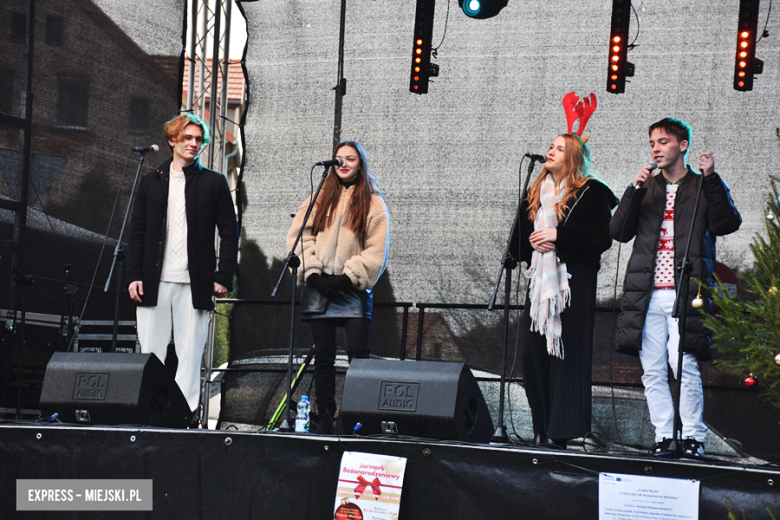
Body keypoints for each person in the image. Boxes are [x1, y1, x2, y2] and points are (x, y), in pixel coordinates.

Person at [610, 117, 741, 458]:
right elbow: (618, 231)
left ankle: (694, 437)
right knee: (652, 369)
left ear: (682, 146)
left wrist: (711, 179)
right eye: (652, 142)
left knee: (683, 365)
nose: (656, 148)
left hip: (685, 291)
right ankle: (664, 435)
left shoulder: (701, 185)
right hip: (647, 292)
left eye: (663, 141)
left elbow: (727, 222)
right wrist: (634, 189)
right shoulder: (648, 187)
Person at [511, 133, 618, 448]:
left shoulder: (592, 192)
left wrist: (558, 236)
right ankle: (541, 428)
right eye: (550, 147)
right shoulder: (535, 192)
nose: (551, 151)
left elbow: (601, 239)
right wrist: (530, 242)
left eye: (559, 148)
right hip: (540, 287)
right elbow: (518, 243)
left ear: (572, 156)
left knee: (566, 357)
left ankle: (561, 431)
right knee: (534, 359)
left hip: (574, 282)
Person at [127, 114, 239, 414]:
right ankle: (150, 413)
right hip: (154, 281)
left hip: (195, 283)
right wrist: (134, 274)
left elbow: (230, 232)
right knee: (151, 353)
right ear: (172, 140)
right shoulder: (151, 182)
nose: (193, 144)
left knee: (190, 355)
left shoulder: (213, 183)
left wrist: (223, 276)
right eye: (187, 138)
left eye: (198, 140)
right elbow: (136, 232)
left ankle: (184, 416)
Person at [286, 141, 389, 434]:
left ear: (361, 163)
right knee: (324, 357)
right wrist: (314, 276)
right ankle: (325, 418)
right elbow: (300, 235)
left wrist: (347, 278)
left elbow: (376, 250)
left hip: (352, 289)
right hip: (319, 286)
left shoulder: (373, 201)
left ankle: (357, 420)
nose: (343, 164)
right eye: (338, 159)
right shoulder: (319, 196)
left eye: (350, 159)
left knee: (359, 356)